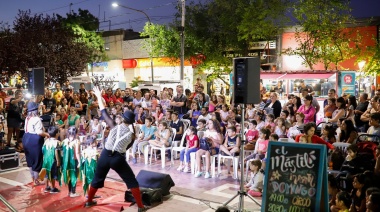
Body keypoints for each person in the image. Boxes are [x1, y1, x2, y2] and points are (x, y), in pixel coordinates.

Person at [85, 87, 146, 211]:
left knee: (97, 178)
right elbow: (126, 148)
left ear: (123, 119)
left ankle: (89, 201)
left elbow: (103, 111)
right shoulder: (132, 135)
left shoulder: (113, 125)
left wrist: (98, 94)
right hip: (117, 158)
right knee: (131, 181)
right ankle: (140, 207)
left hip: (104, 155)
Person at [22, 102, 50, 186]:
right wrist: (47, 134)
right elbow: (39, 132)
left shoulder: (27, 118)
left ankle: (33, 178)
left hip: (26, 137)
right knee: (37, 160)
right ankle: (36, 180)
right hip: (34, 140)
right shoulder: (37, 119)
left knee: (30, 160)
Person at [41, 126, 61, 194]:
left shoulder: (46, 141)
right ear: (56, 134)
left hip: (46, 160)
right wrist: (58, 161)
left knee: (46, 174)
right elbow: (56, 152)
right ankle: (53, 188)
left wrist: (44, 158)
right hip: (53, 161)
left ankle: (47, 187)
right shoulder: (57, 142)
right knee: (53, 174)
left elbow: (43, 150)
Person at [62, 126, 81, 197]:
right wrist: (79, 161)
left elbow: (63, 152)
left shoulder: (64, 141)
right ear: (75, 133)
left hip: (66, 162)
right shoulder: (76, 142)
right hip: (73, 162)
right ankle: (73, 192)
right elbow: (77, 153)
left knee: (69, 176)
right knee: (74, 176)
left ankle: (69, 191)